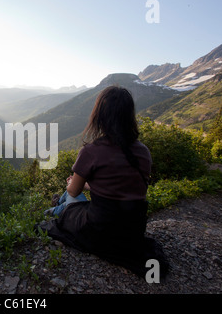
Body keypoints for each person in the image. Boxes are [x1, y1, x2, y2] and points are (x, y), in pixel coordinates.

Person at [37, 85, 169, 279]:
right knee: (72, 194)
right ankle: (56, 206)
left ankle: (52, 209)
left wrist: (73, 184)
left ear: (100, 115)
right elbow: (124, 190)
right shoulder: (143, 152)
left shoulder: (92, 151)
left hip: (99, 230)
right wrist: (89, 185)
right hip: (131, 231)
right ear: (129, 116)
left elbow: (74, 192)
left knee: (68, 196)